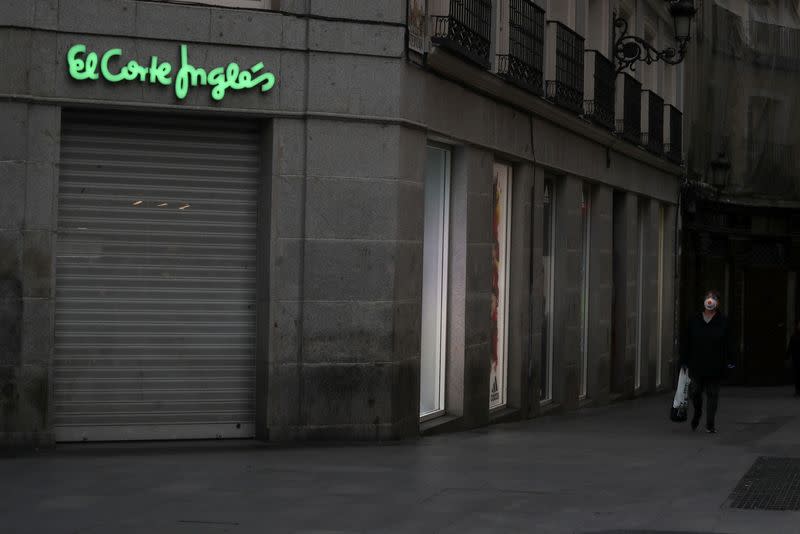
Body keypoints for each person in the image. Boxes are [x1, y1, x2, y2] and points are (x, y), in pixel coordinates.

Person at [679, 290, 735, 433]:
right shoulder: (694, 320)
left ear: (718, 303)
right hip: (696, 363)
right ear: (704, 300)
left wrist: (731, 360)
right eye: (708, 298)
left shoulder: (723, 321)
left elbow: (729, 342)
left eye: (714, 298)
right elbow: (686, 341)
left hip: (715, 363)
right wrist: (684, 360)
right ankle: (698, 412)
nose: (710, 300)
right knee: (695, 391)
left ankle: (710, 423)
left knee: (712, 393)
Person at [786, 319, 800, 397]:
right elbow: (790, 347)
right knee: (797, 375)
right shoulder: (794, 336)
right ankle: (797, 390)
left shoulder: (794, 336)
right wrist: (787, 357)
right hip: (797, 359)